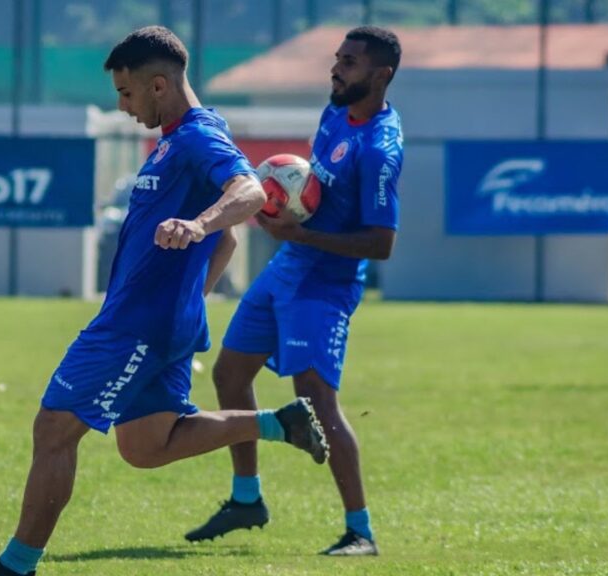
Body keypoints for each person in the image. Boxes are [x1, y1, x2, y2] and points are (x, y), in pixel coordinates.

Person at [0, 26, 328, 576]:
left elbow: (246, 194)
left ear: (157, 85)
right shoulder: (178, 138)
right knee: (145, 446)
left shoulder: (197, 137)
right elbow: (231, 239)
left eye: (125, 94)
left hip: (135, 325)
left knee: (55, 429)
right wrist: (191, 293)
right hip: (162, 320)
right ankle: (278, 422)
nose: (121, 107)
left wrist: (195, 226)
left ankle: (14, 567)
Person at [186, 26, 403, 556]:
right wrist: (288, 208)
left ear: (381, 75)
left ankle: (361, 532)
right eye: (337, 59)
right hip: (289, 266)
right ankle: (246, 498)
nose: (336, 69)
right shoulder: (334, 114)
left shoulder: (380, 150)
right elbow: (314, 191)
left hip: (324, 287)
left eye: (349, 63)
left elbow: (382, 245)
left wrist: (300, 231)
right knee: (229, 373)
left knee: (317, 402)